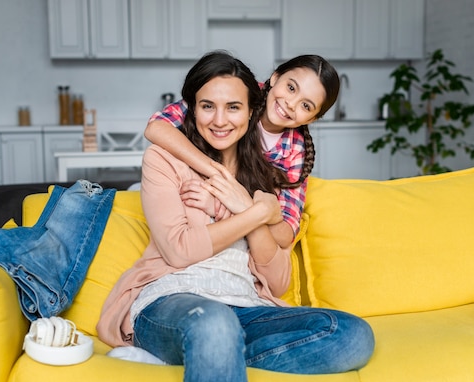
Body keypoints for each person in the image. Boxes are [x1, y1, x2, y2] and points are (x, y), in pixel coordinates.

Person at [97, 51, 374, 382]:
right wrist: (253, 212)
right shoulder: (165, 159)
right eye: (208, 106)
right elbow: (179, 252)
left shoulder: (269, 174)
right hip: (173, 298)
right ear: (192, 108)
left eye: (233, 108)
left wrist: (245, 206)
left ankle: (203, 360)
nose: (221, 119)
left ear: (249, 111)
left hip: (245, 305)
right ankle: (208, 350)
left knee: (352, 334)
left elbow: (277, 282)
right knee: (214, 325)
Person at [144, 54, 340, 247]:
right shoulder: (239, 91)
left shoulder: (295, 151)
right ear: (275, 77)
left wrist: (244, 205)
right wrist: (217, 172)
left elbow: (285, 233)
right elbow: (156, 127)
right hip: (188, 191)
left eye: (306, 106)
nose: (291, 103)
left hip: (229, 220)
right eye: (291, 88)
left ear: (311, 119)